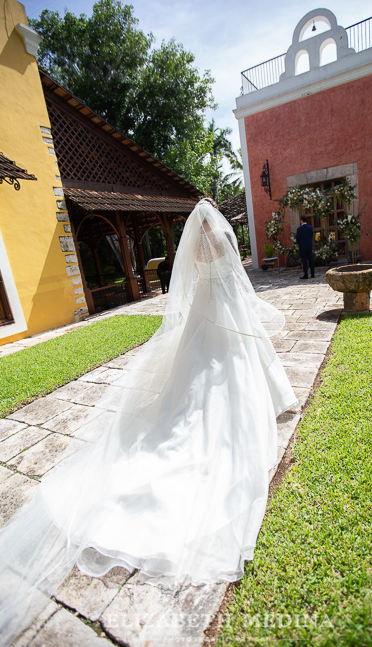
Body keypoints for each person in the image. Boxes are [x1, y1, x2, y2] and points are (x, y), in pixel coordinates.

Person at [0, 198, 299, 644]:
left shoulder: (194, 247)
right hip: (227, 303)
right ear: (214, 218)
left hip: (204, 308)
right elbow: (236, 274)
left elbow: (194, 280)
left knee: (195, 373)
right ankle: (264, 398)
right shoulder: (222, 239)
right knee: (235, 362)